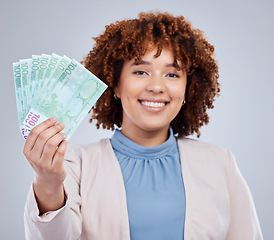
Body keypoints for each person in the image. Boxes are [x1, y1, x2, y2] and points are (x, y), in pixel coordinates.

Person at [23, 12, 263, 240]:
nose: (157, 86)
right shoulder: (77, 164)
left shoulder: (221, 164)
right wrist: (48, 181)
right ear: (115, 85)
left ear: (188, 88)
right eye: (140, 71)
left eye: (172, 75)